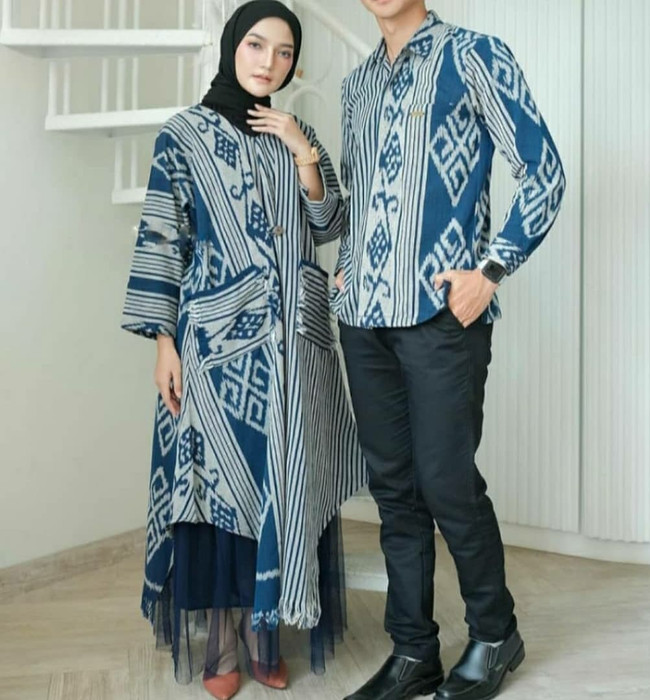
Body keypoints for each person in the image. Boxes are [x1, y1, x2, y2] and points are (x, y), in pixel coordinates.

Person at [121, 2, 366, 699]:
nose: (268, 62)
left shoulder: (295, 133)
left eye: (284, 52)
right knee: (220, 489)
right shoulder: (183, 135)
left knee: (283, 481)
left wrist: (304, 152)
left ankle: (267, 635)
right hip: (214, 348)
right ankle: (224, 644)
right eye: (257, 45)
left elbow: (331, 223)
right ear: (233, 46)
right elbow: (164, 238)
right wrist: (163, 343)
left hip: (295, 351)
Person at [333, 1, 566, 699]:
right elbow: (361, 194)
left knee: (447, 484)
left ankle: (496, 635)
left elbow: (544, 170)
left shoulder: (474, 55)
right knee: (395, 491)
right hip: (363, 318)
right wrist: (347, 265)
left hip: (441, 317)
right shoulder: (356, 84)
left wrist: (489, 270)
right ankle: (414, 652)